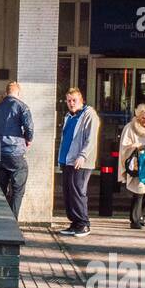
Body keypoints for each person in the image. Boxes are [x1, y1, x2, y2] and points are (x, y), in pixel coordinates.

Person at [0, 81, 34, 219]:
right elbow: (29, 128)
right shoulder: (22, 107)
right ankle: (12, 221)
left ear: (6, 93)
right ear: (18, 93)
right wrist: (28, 139)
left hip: (0, 154)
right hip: (16, 152)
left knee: (1, 189)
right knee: (18, 190)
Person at [57, 88, 100, 237]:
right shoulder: (69, 116)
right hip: (67, 160)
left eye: (74, 100)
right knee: (68, 193)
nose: (71, 103)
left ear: (81, 100)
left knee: (78, 191)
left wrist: (82, 156)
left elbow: (91, 139)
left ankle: (83, 224)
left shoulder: (89, 115)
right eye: (69, 100)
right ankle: (74, 223)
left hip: (80, 162)